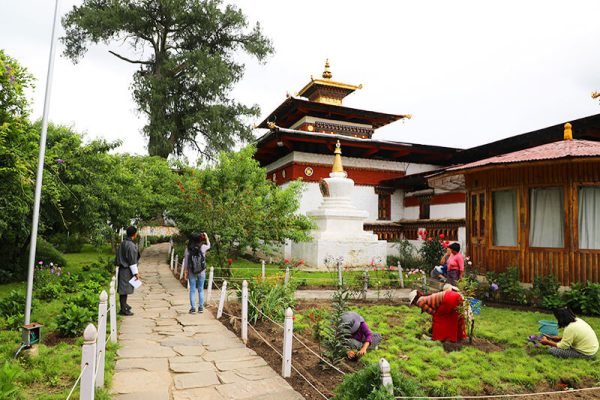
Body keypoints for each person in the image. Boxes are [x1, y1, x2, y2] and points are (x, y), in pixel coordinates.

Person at [115, 226, 140, 316]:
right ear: (134, 234)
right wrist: (136, 273)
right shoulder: (131, 245)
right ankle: (124, 308)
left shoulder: (123, 243)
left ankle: (124, 306)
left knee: (123, 290)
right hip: (127, 269)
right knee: (125, 290)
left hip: (121, 268)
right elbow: (132, 261)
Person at [183, 232, 210, 314]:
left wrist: (185, 271)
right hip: (201, 271)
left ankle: (193, 308)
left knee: (192, 290)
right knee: (201, 289)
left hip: (192, 271)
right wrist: (206, 236)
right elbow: (209, 245)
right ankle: (201, 308)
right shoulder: (203, 247)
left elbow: (186, 261)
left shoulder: (188, 248)